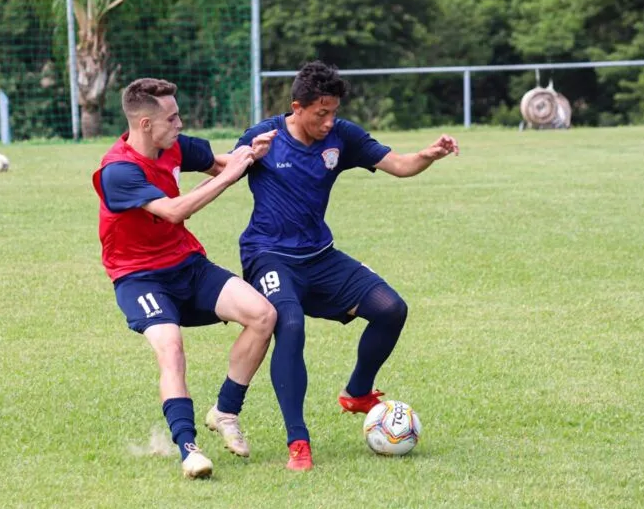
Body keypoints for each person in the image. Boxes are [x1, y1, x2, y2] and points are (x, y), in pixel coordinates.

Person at [234, 61, 459, 471]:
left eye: (334, 112)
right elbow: (222, 168)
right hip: (268, 256)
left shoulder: (342, 136)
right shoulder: (264, 137)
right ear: (297, 107)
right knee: (290, 325)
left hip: (320, 255)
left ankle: (357, 393)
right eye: (321, 113)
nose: (329, 121)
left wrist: (429, 154)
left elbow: (399, 164)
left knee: (391, 309)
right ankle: (298, 441)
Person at [92, 78, 278, 479]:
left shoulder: (172, 145)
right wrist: (229, 175)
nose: (180, 124)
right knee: (171, 348)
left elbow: (222, 163)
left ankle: (225, 410)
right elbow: (175, 210)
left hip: (187, 265)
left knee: (263, 315)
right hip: (140, 278)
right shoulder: (118, 171)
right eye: (172, 118)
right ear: (145, 124)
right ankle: (188, 449)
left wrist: (250, 154)